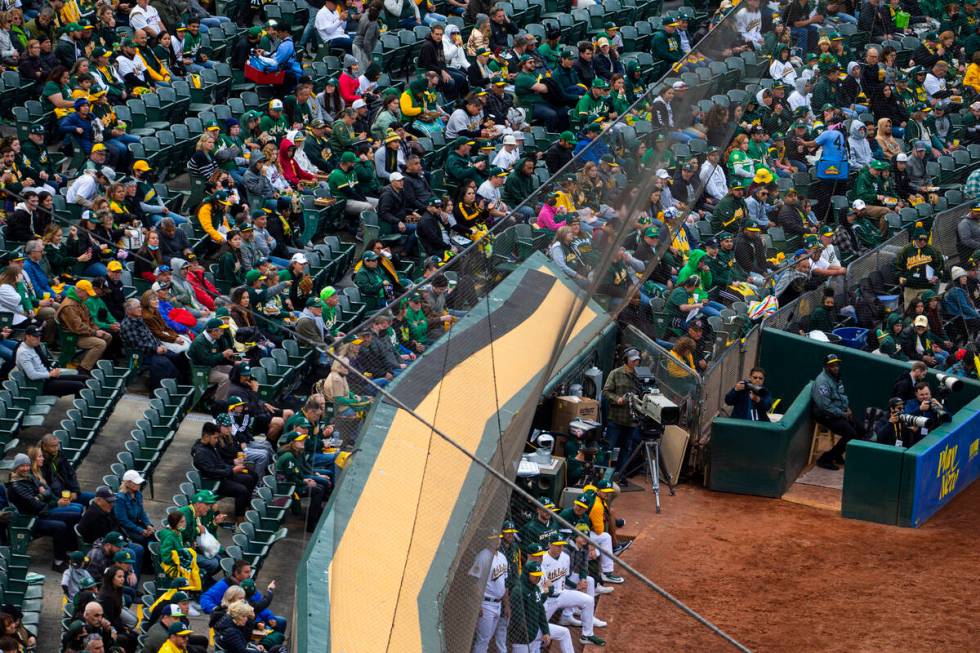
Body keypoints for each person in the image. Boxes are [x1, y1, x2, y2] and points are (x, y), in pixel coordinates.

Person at [538, 532, 606, 646]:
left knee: (588, 601)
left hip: (562, 594)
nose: (560, 548)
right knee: (539, 631)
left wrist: (577, 585)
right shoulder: (542, 560)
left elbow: (567, 577)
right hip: (547, 600)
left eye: (561, 545)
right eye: (557, 545)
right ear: (550, 545)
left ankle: (587, 635)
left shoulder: (565, 557)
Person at [191, 422, 258, 518]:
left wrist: (232, 468)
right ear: (206, 437)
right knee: (241, 490)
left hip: (220, 476)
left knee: (249, 478)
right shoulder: (201, 453)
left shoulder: (209, 447)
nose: (217, 440)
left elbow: (220, 463)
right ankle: (240, 520)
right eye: (215, 438)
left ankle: (245, 507)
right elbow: (210, 472)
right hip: (213, 482)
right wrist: (232, 471)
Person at [810, 354, 865, 470]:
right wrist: (842, 414)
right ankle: (825, 459)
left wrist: (847, 408)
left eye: (836, 365)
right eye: (832, 365)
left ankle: (837, 454)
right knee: (850, 434)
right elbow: (825, 406)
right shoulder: (822, 381)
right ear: (826, 367)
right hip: (824, 414)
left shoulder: (836, 377)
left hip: (838, 412)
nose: (836, 367)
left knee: (861, 429)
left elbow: (842, 396)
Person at [15, 322, 87, 396]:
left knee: (85, 378)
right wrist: (50, 374)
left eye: (39, 336)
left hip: (48, 377)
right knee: (79, 385)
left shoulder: (34, 346)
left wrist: (52, 371)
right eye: (35, 337)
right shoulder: (23, 353)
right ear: (27, 337)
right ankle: (80, 406)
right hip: (41, 385)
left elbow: (45, 363)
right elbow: (32, 375)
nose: (38, 339)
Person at [602, 349, 641, 477]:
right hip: (616, 418)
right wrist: (617, 399)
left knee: (626, 449)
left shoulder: (640, 375)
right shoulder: (616, 373)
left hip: (631, 421)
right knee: (609, 447)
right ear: (626, 360)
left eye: (637, 360)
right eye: (634, 359)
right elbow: (606, 392)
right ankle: (601, 473)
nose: (636, 362)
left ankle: (621, 475)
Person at [470, 526, 508, 653]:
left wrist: (506, 605)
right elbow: (473, 581)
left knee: (487, 639)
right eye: (493, 539)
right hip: (485, 604)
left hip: (498, 604)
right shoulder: (482, 556)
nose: (497, 541)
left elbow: (504, 583)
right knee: (483, 640)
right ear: (488, 540)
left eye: (498, 538)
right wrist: (478, 604)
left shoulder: (502, 557)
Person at [114, 470, 154, 563]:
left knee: (152, 535)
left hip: (136, 523)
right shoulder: (120, 498)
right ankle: (145, 566)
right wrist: (140, 530)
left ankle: (151, 563)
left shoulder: (138, 494)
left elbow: (142, 512)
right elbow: (123, 521)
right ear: (128, 483)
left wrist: (148, 525)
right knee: (143, 539)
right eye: (136, 483)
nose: (139, 484)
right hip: (126, 528)